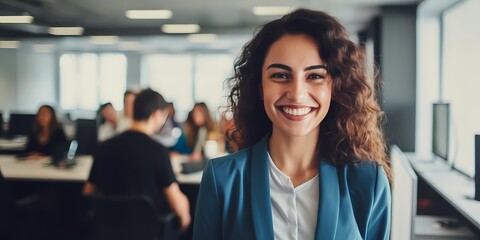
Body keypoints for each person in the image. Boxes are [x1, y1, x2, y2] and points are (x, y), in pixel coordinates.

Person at [193, 8, 391, 240]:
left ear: (334, 88)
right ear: (260, 86)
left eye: (315, 76)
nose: (297, 94)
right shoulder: (222, 179)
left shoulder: (368, 181)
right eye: (280, 75)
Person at [83, 88, 191, 232]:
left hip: (108, 230)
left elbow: (88, 192)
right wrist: (185, 212)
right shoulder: (158, 151)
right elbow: (177, 206)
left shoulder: (104, 147)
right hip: (146, 232)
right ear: (156, 114)